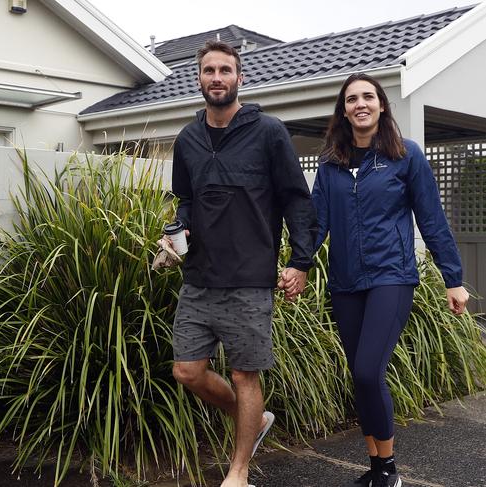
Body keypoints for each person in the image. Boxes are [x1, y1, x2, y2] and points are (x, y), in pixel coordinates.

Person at [281, 72, 469, 487]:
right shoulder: (330, 165)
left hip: (391, 278)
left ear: (382, 105)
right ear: (343, 110)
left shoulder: (406, 156)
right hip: (346, 283)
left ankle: (389, 471)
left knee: (368, 371)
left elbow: (432, 220)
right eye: (351, 99)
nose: (360, 104)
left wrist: (452, 278)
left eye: (368, 96)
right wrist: (300, 264)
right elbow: (318, 224)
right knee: (359, 375)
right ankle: (377, 466)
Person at [167, 40, 317, 487]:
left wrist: (301, 262)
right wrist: (175, 234)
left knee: (243, 374)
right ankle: (253, 419)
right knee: (187, 371)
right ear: (199, 78)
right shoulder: (187, 140)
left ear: (240, 78)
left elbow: (295, 199)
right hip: (198, 278)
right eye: (209, 70)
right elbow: (186, 201)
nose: (217, 77)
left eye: (225, 70)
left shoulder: (268, 132)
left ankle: (239, 470)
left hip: (250, 279)